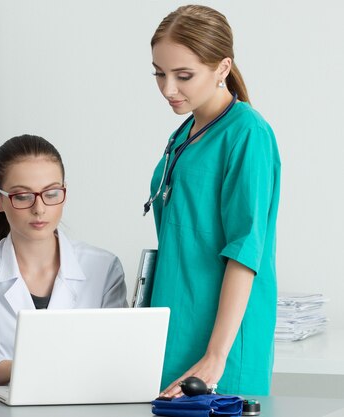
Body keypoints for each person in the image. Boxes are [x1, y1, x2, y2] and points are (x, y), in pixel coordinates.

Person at [144, 5, 280, 397]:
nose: (168, 88)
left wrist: (216, 356)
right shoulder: (185, 133)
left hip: (220, 342)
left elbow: (245, 249)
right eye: (159, 73)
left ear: (222, 68)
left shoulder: (248, 134)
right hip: (175, 325)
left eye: (183, 75)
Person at [0, 134, 127, 391]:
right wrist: (23, 368)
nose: (39, 208)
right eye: (22, 196)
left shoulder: (104, 267)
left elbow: (117, 356)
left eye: (51, 193)